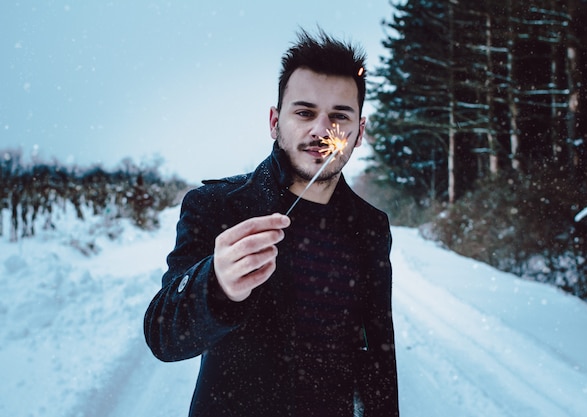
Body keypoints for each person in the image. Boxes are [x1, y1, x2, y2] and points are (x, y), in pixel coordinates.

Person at [144, 29, 399, 417]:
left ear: (358, 133)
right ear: (274, 121)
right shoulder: (216, 207)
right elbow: (163, 335)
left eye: (339, 116)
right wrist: (216, 283)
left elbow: (377, 350)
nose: (321, 130)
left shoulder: (370, 226)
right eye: (304, 112)